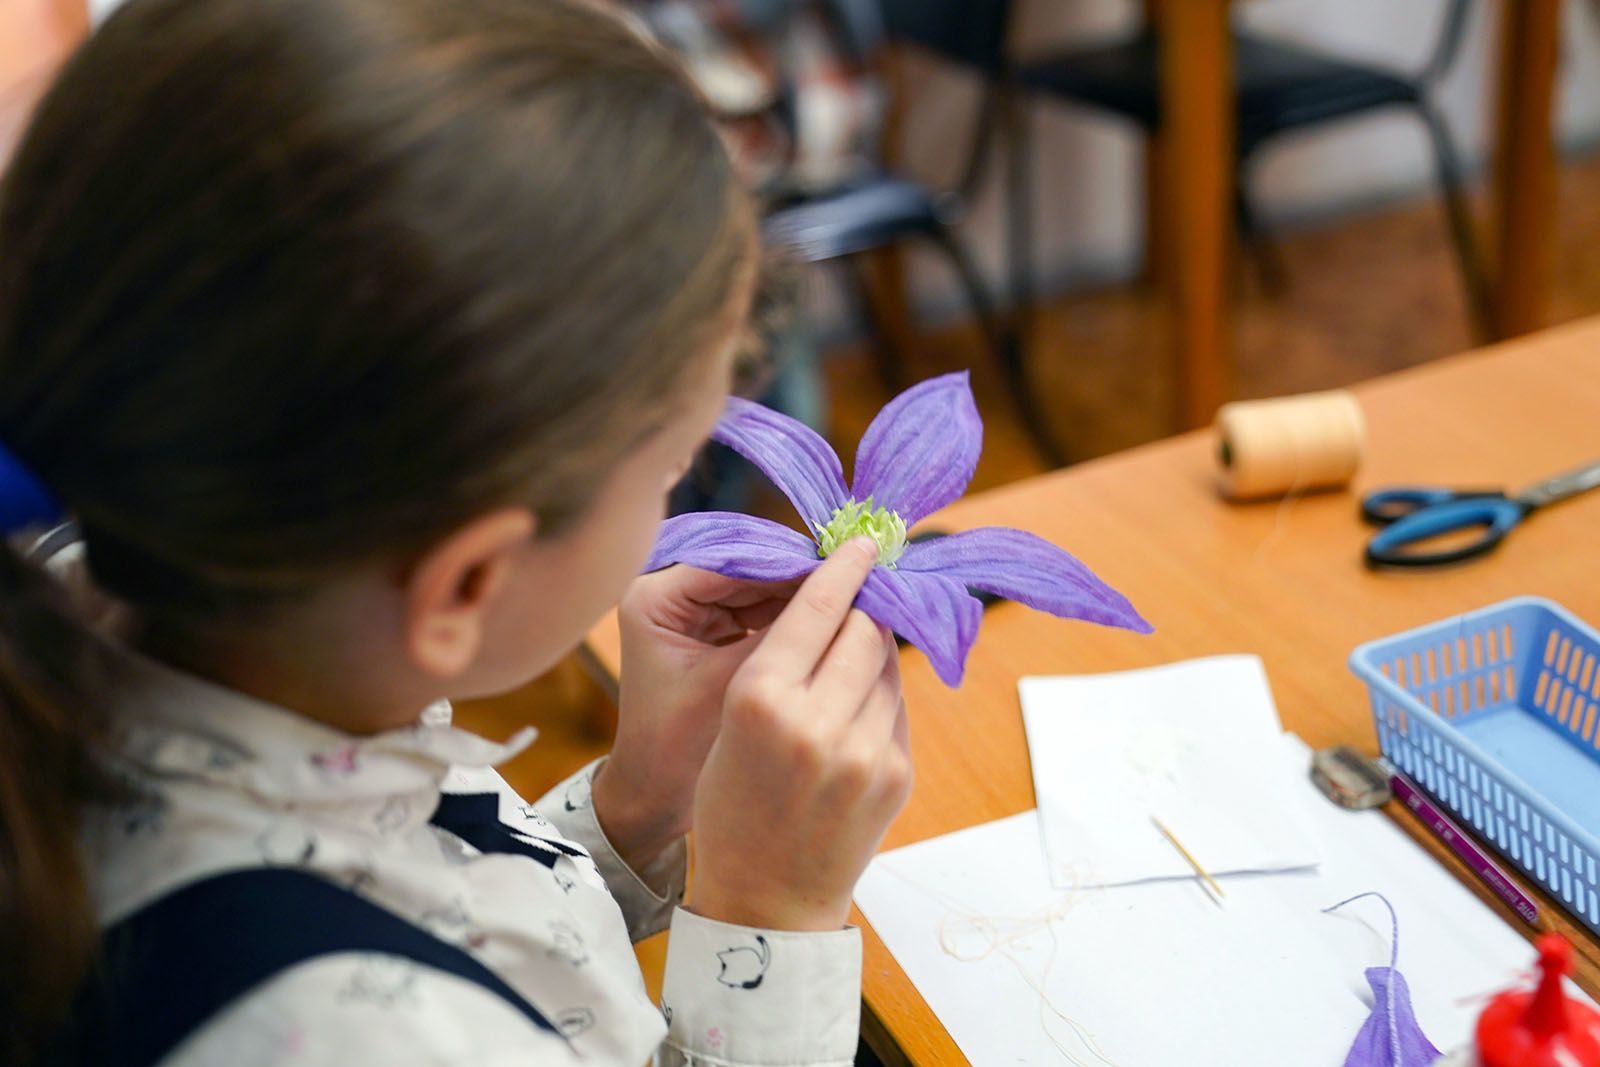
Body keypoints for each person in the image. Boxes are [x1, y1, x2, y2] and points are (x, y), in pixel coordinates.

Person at [0, 0, 911, 1064]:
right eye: (672, 465)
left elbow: (460, 927)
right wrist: (772, 906)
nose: (676, 495)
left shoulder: (131, 602)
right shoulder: (342, 1037)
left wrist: (635, 802)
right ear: (465, 586)